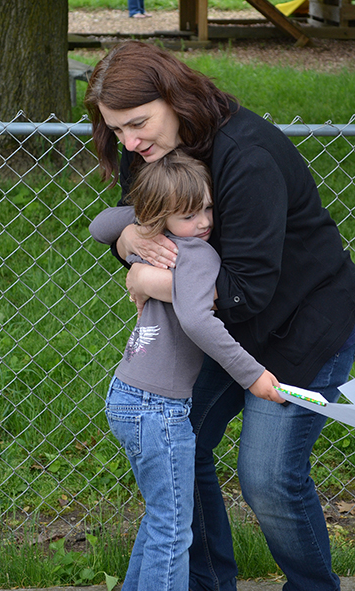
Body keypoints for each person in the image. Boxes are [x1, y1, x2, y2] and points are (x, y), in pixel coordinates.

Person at [85, 40, 355, 591]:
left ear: (173, 97)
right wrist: (130, 239)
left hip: (303, 323)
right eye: (116, 132)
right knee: (186, 444)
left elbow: (246, 291)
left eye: (138, 124)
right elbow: (140, 225)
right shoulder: (148, 151)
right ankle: (208, 581)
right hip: (218, 329)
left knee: (268, 480)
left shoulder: (246, 154)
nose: (130, 143)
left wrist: (147, 277)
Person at [89, 150, 280, 591]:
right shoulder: (199, 255)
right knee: (173, 529)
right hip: (158, 408)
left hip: (127, 395)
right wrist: (252, 375)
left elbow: (101, 225)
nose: (204, 221)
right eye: (190, 214)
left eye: (208, 208)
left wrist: (133, 229)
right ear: (159, 215)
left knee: (162, 519)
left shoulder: (161, 241)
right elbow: (198, 321)